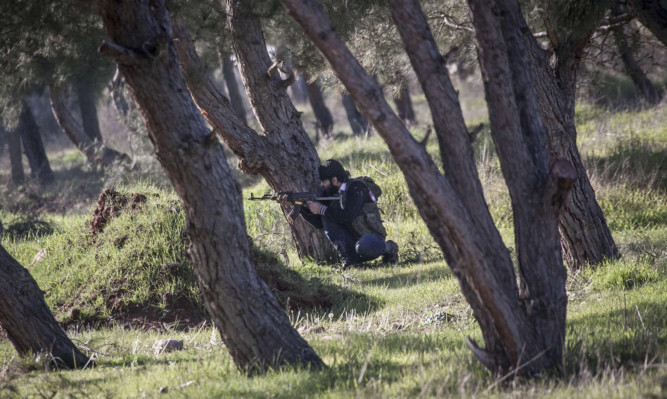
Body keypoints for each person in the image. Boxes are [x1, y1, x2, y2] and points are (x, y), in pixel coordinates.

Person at [297, 159, 399, 269]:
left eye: (323, 181)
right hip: (351, 243)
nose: (321, 185)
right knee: (326, 216)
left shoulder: (357, 188)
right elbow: (319, 223)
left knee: (364, 246)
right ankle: (348, 259)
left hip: (370, 239)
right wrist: (300, 207)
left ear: (334, 180)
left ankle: (389, 248)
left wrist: (321, 208)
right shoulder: (330, 193)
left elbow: (347, 215)